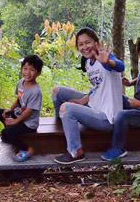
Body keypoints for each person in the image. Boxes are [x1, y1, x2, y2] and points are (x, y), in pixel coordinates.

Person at [52, 27, 124, 165]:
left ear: (96, 43)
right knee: (57, 91)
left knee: (66, 108)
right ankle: (64, 127)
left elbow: (120, 66)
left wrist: (108, 62)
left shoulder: (105, 59)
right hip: (93, 105)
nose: (85, 47)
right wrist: (83, 99)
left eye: (88, 42)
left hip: (106, 118)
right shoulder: (88, 63)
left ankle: (75, 152)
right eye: (81, 44)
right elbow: (96, 87)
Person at [0, 55, 44, 162]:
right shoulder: (21, 82)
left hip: (28, 124)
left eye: (32, 70)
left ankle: (27, 148)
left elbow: (29, 112)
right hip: (18, 115)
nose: (27, 72)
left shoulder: (36, 91)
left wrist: (15, 122)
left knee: (6, 134)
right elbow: (19, 98)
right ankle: (12, 132)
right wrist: (10, 110)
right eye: (25, 68)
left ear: (38, 73)